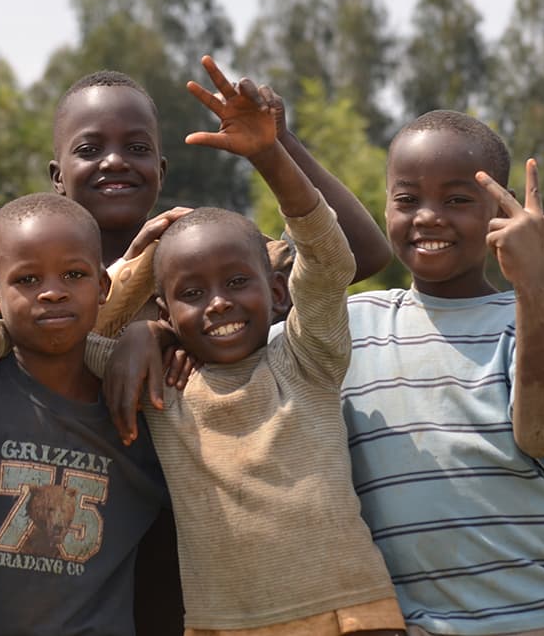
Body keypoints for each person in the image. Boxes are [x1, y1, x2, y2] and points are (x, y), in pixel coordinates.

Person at [99, 56, 402, 635]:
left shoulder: (308, 357)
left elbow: (332, 257)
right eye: (191, 292)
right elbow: (63, 341)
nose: (216, 302)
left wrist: (270, 152)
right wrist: (143, 314)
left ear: (279, 293)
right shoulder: (158, 380)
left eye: (238, 282)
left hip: (350, 617)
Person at [340, 111, 544, 635]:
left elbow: (540, 436)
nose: (429, 217)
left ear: (499, 209)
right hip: (427, 624)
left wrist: (531, 285)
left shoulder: (522, 322)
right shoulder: (355, 325)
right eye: (407, 199)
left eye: (458, 200)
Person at [0, 193, 173, 635]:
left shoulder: (146, 406)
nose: (52, 292)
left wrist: (158, 332)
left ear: (103, 287)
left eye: (74, 274)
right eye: (28, 279)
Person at [45, 70, 391, 337]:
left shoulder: (209, 255)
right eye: (90, 150)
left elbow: (361, 253)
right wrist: (130, 275)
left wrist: (276, 147)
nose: (115, 162)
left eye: (137, 149)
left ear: (161, 171)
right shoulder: (38, 277)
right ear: (58, 177)